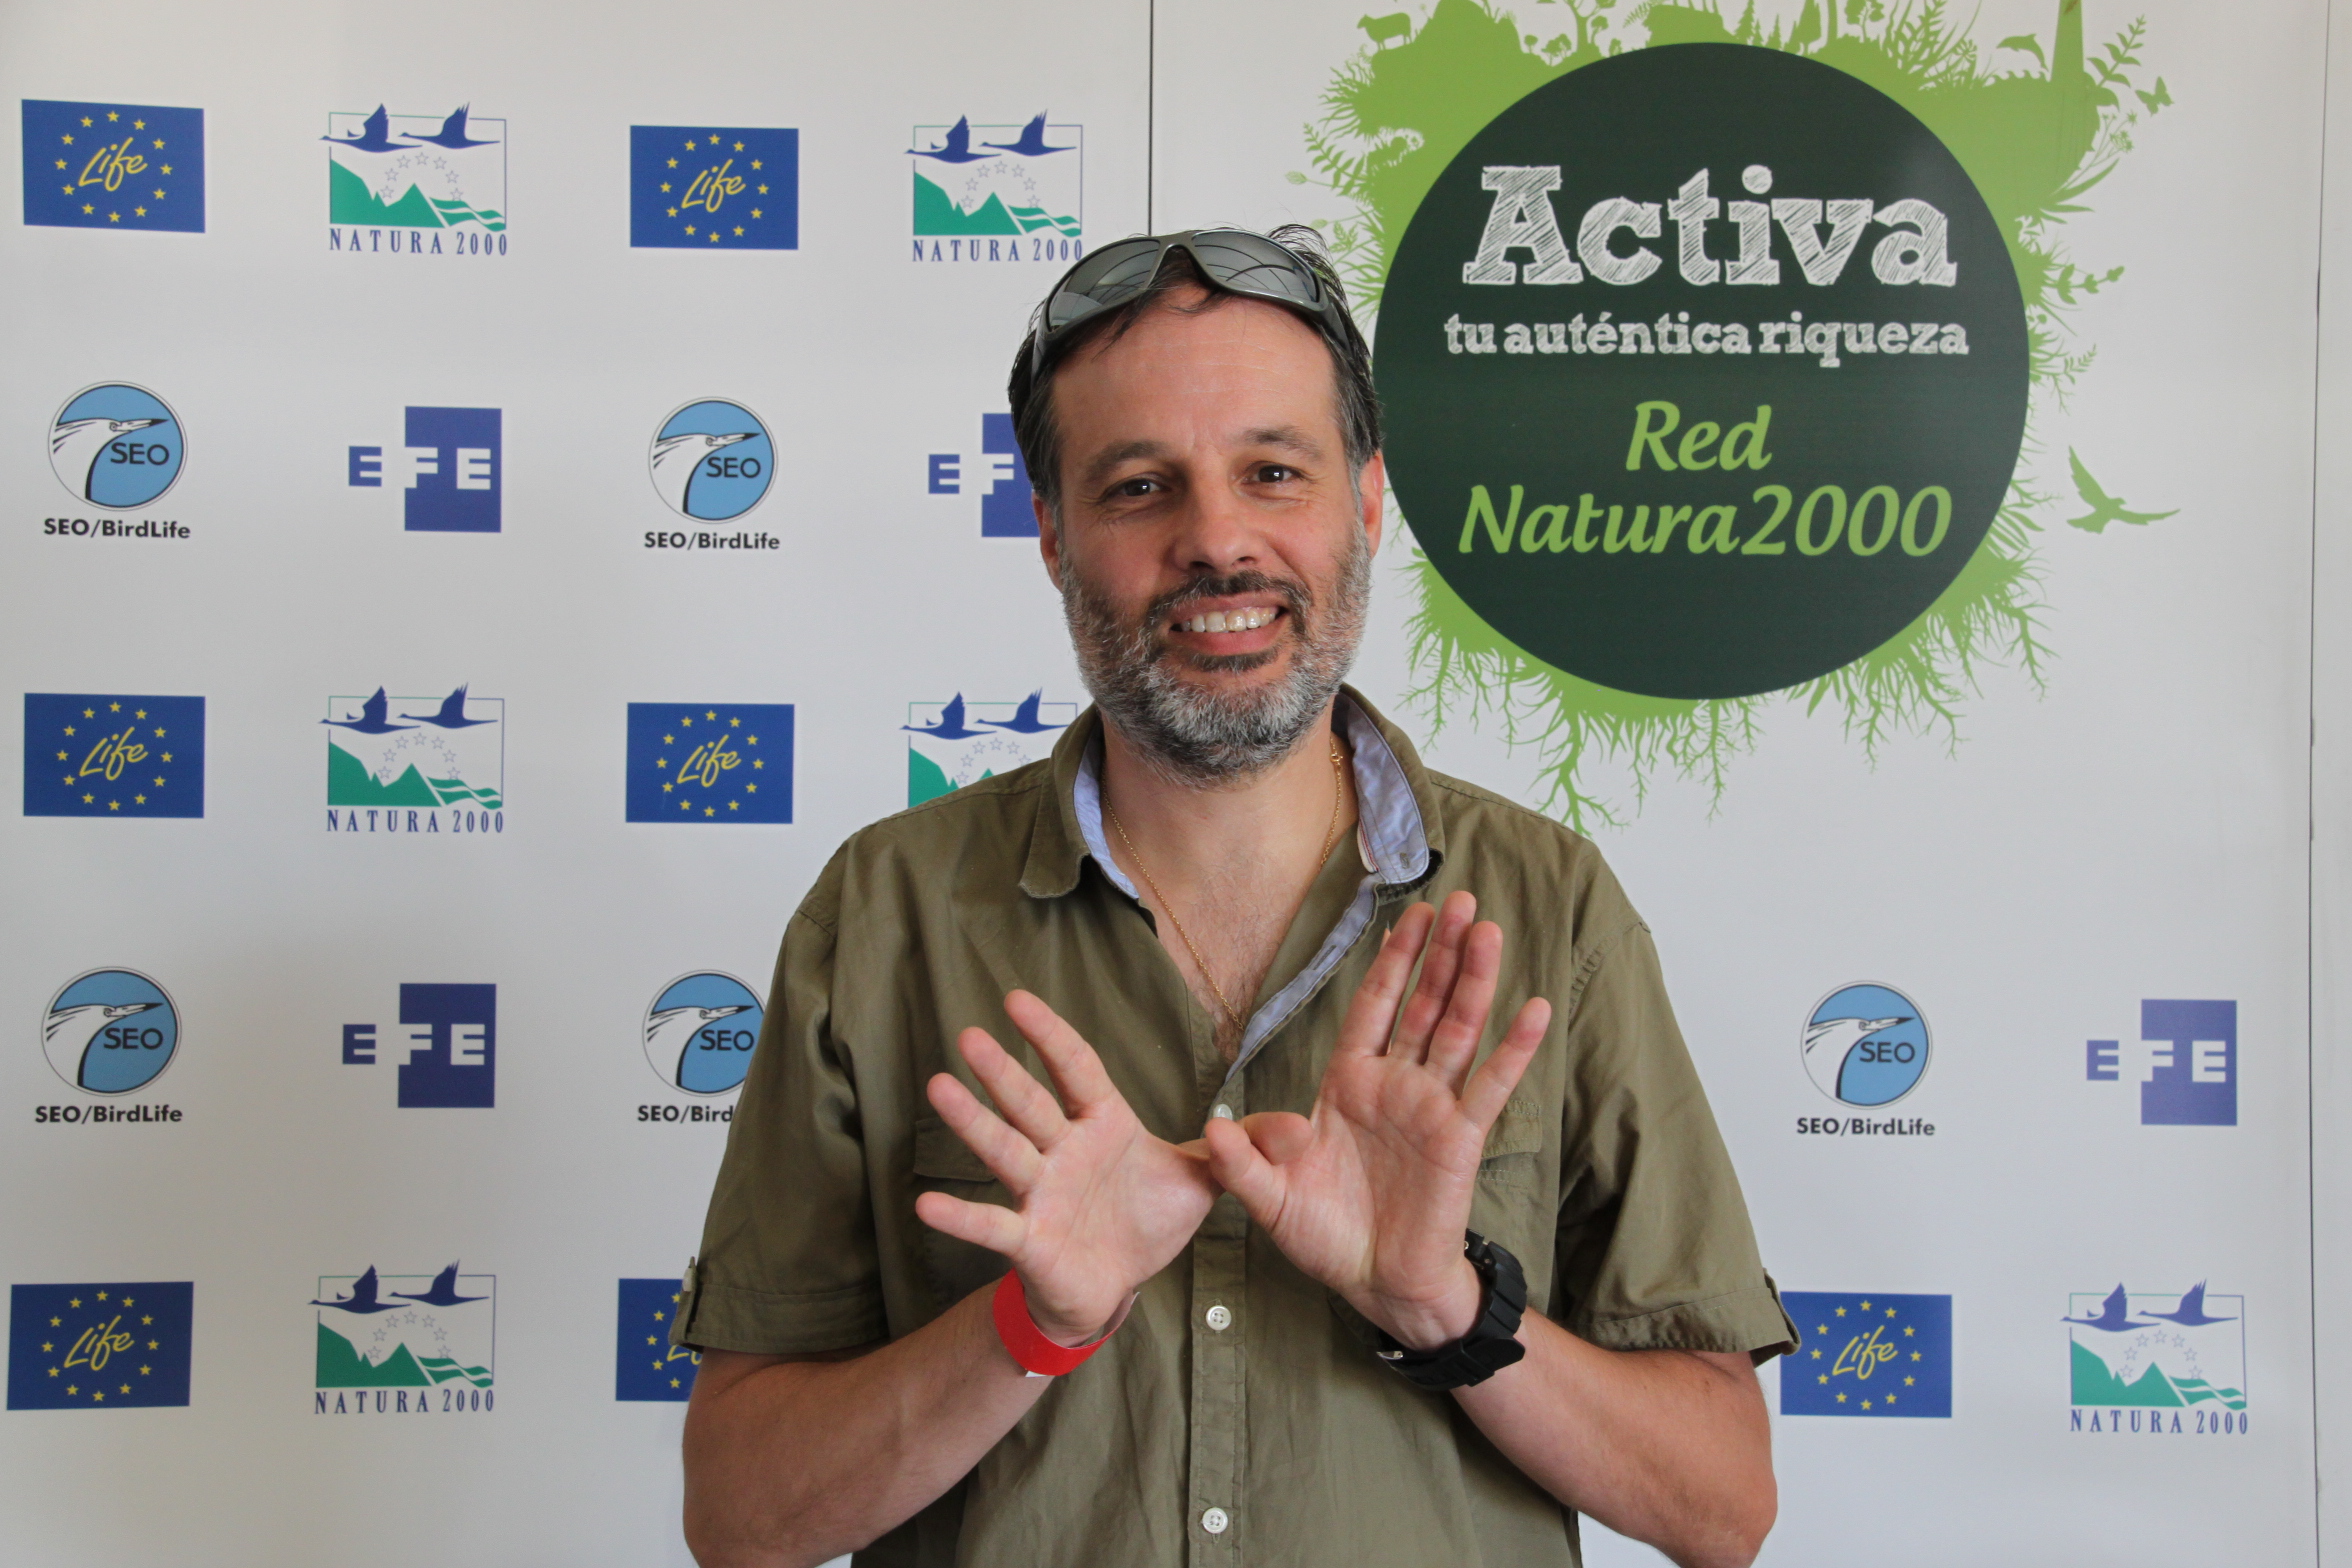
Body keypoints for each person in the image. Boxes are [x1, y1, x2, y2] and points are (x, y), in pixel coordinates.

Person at [673, 227, 1793, 1568]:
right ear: (1050, 534)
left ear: (1366, 503)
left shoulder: (1548, 905)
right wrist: (1028, 1326)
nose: (1217, 540)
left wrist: (1445, 1304)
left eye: (1274, 471)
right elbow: (740, 1515)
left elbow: (1721, 1503)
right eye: (1139, 487)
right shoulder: (886, 912)